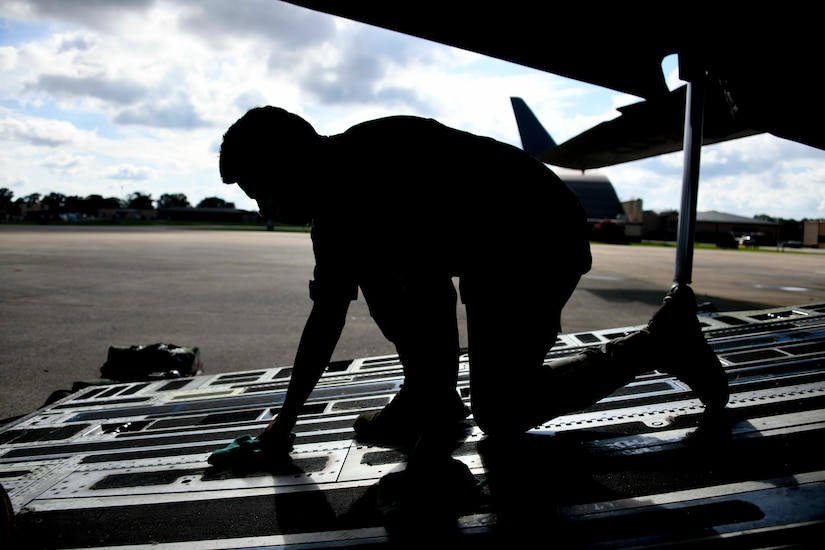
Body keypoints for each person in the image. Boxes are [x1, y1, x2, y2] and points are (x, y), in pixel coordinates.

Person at [209, 106, 729, 471]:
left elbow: (432, 303)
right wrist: (287, 418)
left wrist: (433, 447)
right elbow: (326, 316)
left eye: (265, 192)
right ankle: (421, 395)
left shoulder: (384, 162)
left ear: (294, 161)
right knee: (374, 277)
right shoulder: (334, 218)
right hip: (485, 250)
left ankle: (661, 342)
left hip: (537, 235)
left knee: (501, 412)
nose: (265, 211)